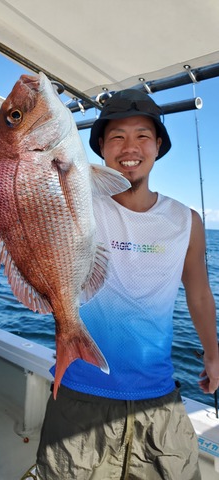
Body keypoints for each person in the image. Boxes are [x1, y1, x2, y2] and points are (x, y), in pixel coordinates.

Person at [36, 89, 219, 479]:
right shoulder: (74, 202)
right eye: (117, 136)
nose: (129, 147)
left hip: (159, 398)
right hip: (79, 393)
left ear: (158, 146)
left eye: (142, 135)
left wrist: (212, 352)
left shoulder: (186, 221)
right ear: (100, 146)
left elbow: (199, 292)